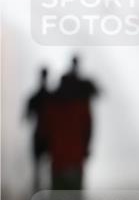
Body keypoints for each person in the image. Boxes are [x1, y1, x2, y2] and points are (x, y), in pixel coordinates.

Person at [45, 56, 100, 189]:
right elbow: (88, 129)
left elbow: (46, 130)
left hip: (59, 158)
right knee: (73, 192)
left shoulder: (53, 107)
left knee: (59, 192)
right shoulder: (80, 108)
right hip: (73, 157)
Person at [24, 67, 51, 190]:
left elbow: (27, 117)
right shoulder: (51, 97)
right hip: (47, 136)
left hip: (40, 135)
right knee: (44, 168)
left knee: (38, 168)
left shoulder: (35, 97)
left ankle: (38, 191)